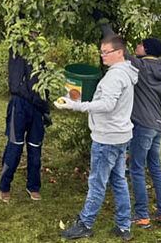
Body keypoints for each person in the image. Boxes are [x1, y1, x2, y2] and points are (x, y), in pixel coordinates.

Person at [56, 34, 138, 241]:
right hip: (120, 136)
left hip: (107, 138)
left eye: (106, 52)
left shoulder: (115, 76)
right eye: (101, 52)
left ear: (119, 52)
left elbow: (107, 105)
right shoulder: (126, 73)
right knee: (118, 181)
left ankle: (85, 224)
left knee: (97, 182)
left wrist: (76, 105)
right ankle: (123, 226)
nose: (102, 56)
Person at [94, 13, 161, 228]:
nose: (137, 46)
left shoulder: (141, 66)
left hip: (144, 125)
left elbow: (118, 49)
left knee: (137, 168)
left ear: (145, 50)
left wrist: (103, 23)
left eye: (140, 44)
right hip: (158, 125)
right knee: (155, 167)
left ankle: (142, 215)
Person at [0, 48, 51, 203]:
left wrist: (45, 109)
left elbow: (44, 86)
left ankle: (33, 186)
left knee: (35, 150)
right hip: (19, 106)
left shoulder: (41, 59)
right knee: (14, 148)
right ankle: (4, 186)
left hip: (37, 109)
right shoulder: (16, 51)